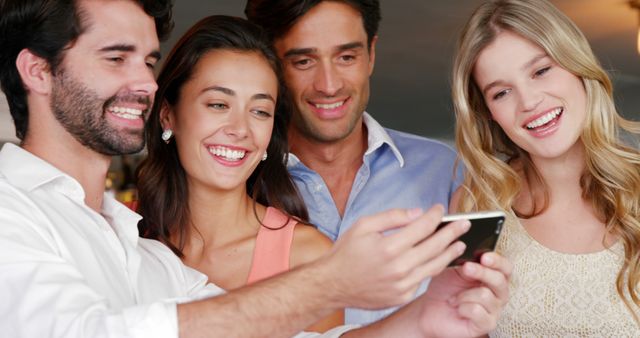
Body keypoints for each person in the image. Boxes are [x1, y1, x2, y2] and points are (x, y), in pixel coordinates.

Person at [0, 0, 511, 337]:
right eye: (117, 58)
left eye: (149, 62)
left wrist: (424, 318)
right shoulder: (11, 209)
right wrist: (330, 283)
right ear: (38, 71)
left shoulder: (136, 246)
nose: (146, 83)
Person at [245, 0, 463, 324]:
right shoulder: (240, 185)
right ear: (271, 66)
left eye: (347, 57)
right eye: (304, 61)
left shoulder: (449, 172)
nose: (329, 85)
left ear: (371, 54)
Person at [136, 15, 343, 332]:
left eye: (260, 111)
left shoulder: (309, 259)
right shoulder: (122, 237)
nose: (240, 129)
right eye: (218, 104)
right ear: (168, 115)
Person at [450, 0, 640, 336]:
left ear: (578, 67)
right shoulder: (475, 208)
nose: (529, 102)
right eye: (502, 92)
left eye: (541, 71)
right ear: (488, 112)